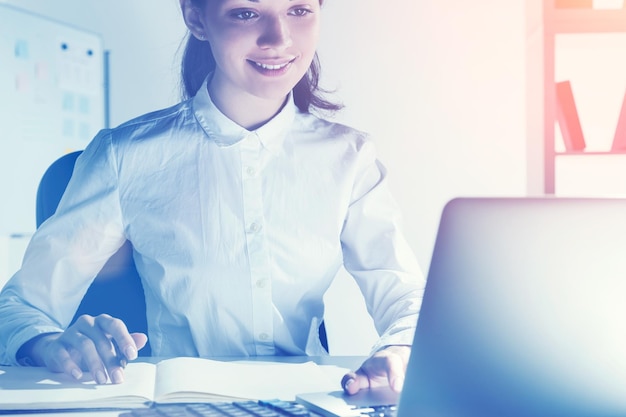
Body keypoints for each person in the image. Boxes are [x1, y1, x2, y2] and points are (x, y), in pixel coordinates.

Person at [0, 0, 424, 396]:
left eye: (297, 9)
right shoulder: (125, 156)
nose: (279, 37)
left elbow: (408, 298)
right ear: (196, 17)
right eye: (245, 13)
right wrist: (49, 343)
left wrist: (401, 351)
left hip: (306, 401)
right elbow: (19, 307)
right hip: (176, 404)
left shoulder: (349, 158)